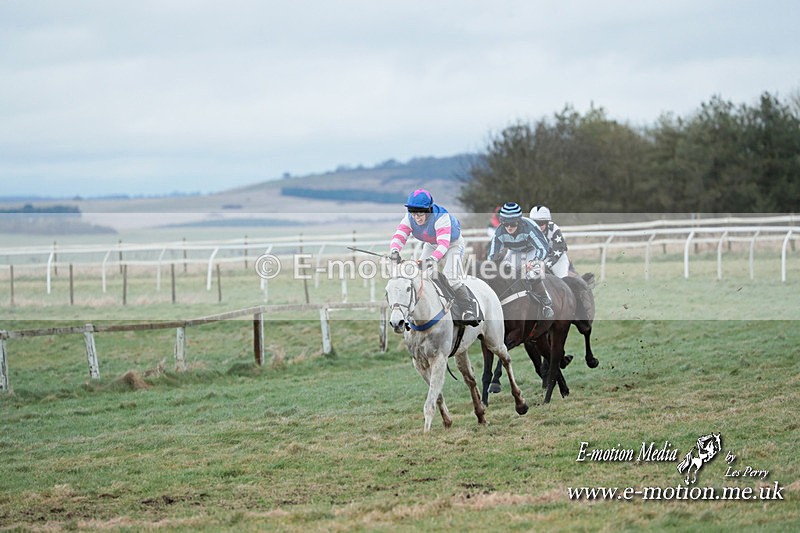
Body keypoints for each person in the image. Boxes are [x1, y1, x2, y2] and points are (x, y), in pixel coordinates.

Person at [389, 188, 479, 325]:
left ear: (429, 210)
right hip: (432, 244)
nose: (416, 217)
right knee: (420, 276)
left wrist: (431, 260)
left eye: (419, 214)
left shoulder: (441, 217)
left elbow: (443, 245)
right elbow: (400, 235)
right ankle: (415, 313)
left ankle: (468, 309)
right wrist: (394, 251)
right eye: (413, 213)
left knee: (451, 277)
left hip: (453, 245)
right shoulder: (409, 218)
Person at [487, 202, 554, 319]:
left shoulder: (529, 227)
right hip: (514, 252)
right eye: (506, 224)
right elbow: (492, 254)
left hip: (533, 250)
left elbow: (543, 248)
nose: (509, 227)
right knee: (503, 274)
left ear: (519, 221)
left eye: (512, 223)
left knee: (533, 273)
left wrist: (533, 262)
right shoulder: (499, 232)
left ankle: (545, 302)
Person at [529, 205, 571, 278]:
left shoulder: (554, 230)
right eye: (535, 223)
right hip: (540, 259)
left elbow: (558, 251)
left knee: (562, 279)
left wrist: (546, 265)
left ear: (547, 222)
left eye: (541, 223)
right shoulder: (528, 231)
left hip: (558, 259)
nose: (538, 226)